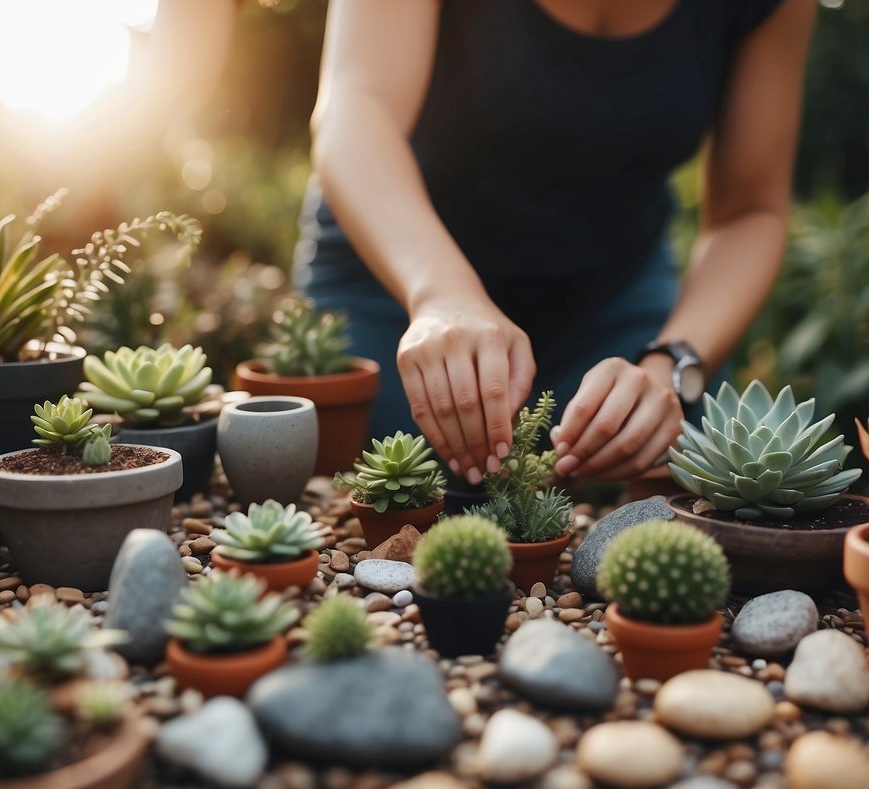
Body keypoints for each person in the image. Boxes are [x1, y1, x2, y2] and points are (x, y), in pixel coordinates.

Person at [294, 0, 817, 487]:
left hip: (615, 305)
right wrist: (442, 294)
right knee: (387, 484)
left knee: (697, 477)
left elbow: (751, 211)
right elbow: (358, 110)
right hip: (395, 285)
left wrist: (674, 364)